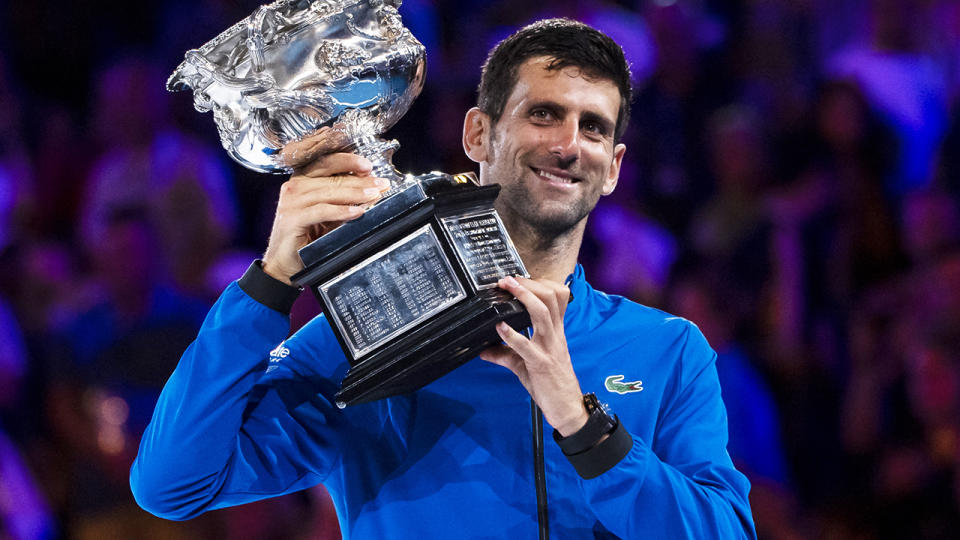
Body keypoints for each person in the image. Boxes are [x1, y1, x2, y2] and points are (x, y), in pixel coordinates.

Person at [130, 19, 755, 538]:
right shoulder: (358, 342)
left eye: (594, 127)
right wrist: (267, 287)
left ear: (614, 166)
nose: (569, 144)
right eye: (543, 113)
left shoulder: (669, 348)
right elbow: (173, 485)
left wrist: (582, 421)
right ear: (477, 133)